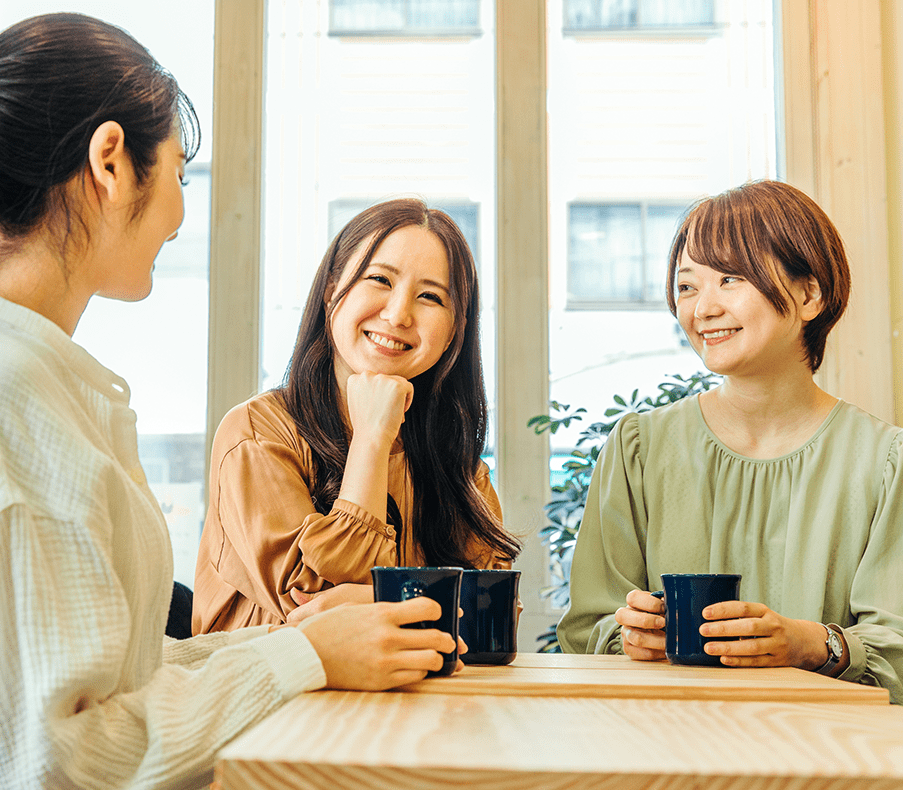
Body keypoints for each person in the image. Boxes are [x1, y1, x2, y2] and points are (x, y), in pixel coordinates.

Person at [0, 14, 461, 789]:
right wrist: (305, 653)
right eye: (181, 175)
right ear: (111, 162)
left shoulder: (23, 375)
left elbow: (114, 682)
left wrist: (292, 644)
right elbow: (57, 759)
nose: (182, 215)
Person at [556, 179, 903, 703]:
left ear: (810, 294)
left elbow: (896, 652)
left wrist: (812, 644)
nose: (703, 309)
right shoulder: (638, 450)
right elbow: (585, 631)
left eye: (731, 279)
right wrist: (629, 635)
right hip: (662, 761)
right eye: (688, 286)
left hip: (830, 767)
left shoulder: (883, 462)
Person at [193, 198, 521, 633]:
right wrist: (371, 435)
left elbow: (494, 619)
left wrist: (382, 597)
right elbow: (325, 611)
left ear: (453, 333)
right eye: (379, 279)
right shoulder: (257, 433)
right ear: (332, 290)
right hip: (284, 698)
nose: (398, 314)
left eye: (430, 296)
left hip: (433, 699)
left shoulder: (460, 469)